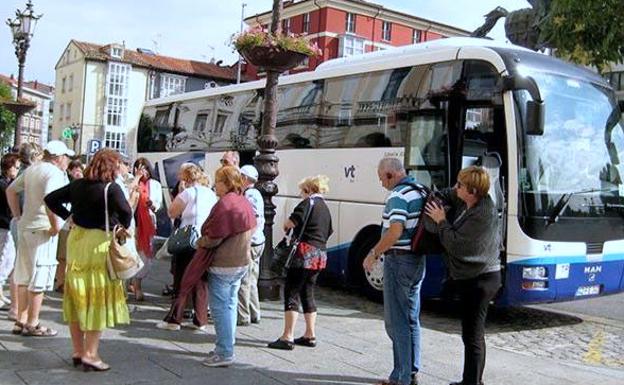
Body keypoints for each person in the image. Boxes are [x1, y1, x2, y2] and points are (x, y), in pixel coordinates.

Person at [45, 148, 132, 371]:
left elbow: (51, 199)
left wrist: (69, 217)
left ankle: (77, 351)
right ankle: (91, 354)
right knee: (96, 298)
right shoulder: (111, 189)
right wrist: (118, 224)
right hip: (99, 244)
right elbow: (126, 213)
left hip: (77, 240)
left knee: (77, 297)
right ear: (112, 167)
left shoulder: (77, 184)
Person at [160, 166, 256, 367]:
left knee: (221, 308)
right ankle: (226, 346)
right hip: (241, 262)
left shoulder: (226, 205)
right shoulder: (243, 202)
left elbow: (213, 237)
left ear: (226, 183)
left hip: (223, 263)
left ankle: (224, 352)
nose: (215, 186)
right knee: (229, 305)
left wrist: (199, 242)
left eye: (218, 182)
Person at [424, 166, 501, 385]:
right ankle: (471, 380)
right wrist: (437, 195)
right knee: (470, 334)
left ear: (473, 191)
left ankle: (473, 382)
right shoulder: (467, 201)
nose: (456, 187)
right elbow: (448, 193)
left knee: (473, 335)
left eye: (460, 185)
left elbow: (457, 245)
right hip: (471, 278)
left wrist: (440, 220)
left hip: (481, 280)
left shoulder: (483, 214)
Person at [362, 157, 426, 385]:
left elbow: (395, 231)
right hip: (417, 260)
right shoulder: (419, 190)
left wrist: (374, 253)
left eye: (382, 179)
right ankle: (410, 371)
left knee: (396, 321)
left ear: (390, 174)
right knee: (411, 318)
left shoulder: (398, 196)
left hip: (399, 262)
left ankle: (402, 377)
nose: (382, 184)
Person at [6, 140, 72, 337]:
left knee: (24, 275)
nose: (67, 161)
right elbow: (50, 200)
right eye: (66, 157)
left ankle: (21, 320)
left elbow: (11, 190)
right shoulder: (54, 173)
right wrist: (55, 226)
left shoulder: (33, 169)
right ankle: (33, 322)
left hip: (26, 226)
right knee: (39, 277)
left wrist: (18, 216)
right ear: (59, 158)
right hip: (43, 229)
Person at [268, 175, 333, 350]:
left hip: (303, 253)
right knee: (308, 291)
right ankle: (310, 334)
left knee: (291, 291)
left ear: (309, 190)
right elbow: (329, 231)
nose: (300, 194)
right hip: (320, 255)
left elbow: (289, 224)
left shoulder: (307, 204)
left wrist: (288, 226)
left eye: (302, 191)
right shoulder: (325, 208)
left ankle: (287, 336)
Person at [157, 164, 217, 330]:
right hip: (204, 240)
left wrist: (181, 191)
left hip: (188, 241)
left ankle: (174, 320)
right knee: (200, 280)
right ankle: (201, 320)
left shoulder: (188, 193)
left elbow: (171, 212)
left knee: (181, 278)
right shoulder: (211, 194)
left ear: (186, 178)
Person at [131, 157, 163, 301]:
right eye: (139, 168)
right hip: (132, 221)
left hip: (147, 222)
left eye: (144, 168)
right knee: (131, 253)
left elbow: (157, 204)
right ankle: (132, 283)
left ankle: (137, 282)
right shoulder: (132, 181)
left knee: (144, 254)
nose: (142, 171)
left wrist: (150, 204)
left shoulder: (154, 184)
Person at [237, 165, 264, 326]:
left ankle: (243, 316)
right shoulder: (256, 194)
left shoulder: (249, 195)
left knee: (244, 281)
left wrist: (245, 239)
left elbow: (251, 220)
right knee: (252, 279)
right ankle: (255, 312)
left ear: (245, 179)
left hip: (251, 241)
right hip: (258, 240)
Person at [0, 153, 20, 318]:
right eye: (16, 167)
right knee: (4, 260)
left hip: (6, 224)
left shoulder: (8, 183)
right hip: (4, 225)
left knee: (7, 260)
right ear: (8, 168)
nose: (17, 170)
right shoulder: (5, 184)